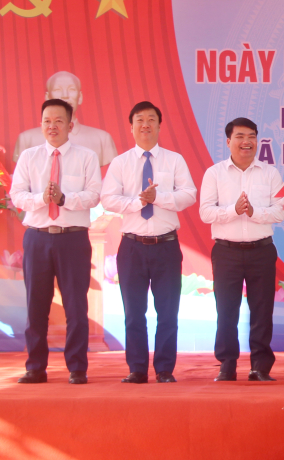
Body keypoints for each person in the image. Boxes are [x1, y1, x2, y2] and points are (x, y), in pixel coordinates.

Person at [100, 101, 197, 384]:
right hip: (132, 247)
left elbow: (189, 194)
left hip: (166, 246)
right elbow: (107, 199)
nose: (145, 125)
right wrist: (137, 202)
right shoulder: (120, 163)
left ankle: (165, 369)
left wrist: (160, 198)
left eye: (151, 119)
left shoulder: (174, 160)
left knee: (168, 312)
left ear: (159, 125)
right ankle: (137, 369)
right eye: (140, 120)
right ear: (131, 127)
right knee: (134, 312)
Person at [9, 98, 102, 385]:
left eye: (59, 121)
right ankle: (35, 366)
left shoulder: (86, 156)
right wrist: (42, 199)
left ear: (70, 125)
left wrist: (64, 199)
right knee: (36, 305)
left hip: (72, 239)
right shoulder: (29, 157)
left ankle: (77, 367)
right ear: (41, 125)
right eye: (47, 121)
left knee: (76, 306)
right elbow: (17, 195)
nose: (52, 126)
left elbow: (94, 195)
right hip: (37, 238)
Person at [199, 118, 284, 382]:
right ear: (228, 142)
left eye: (251, 136)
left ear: (257, 141)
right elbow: (205, 212)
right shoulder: (214, 173)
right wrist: (232, 211)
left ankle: (260, 366)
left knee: (262, 310)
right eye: (239, 136)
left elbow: (279, 212)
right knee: (226, 310)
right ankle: (227, 364)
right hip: (226, 252)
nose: (246, 142)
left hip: (262, 250)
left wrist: (252, 211)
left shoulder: (270, 173)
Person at [13, 71, 117, 166]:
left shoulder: (102, 139)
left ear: (80, 97)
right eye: (58, 90)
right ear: (47, 97)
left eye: (71, 90)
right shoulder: (26, 139)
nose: (65, 96)